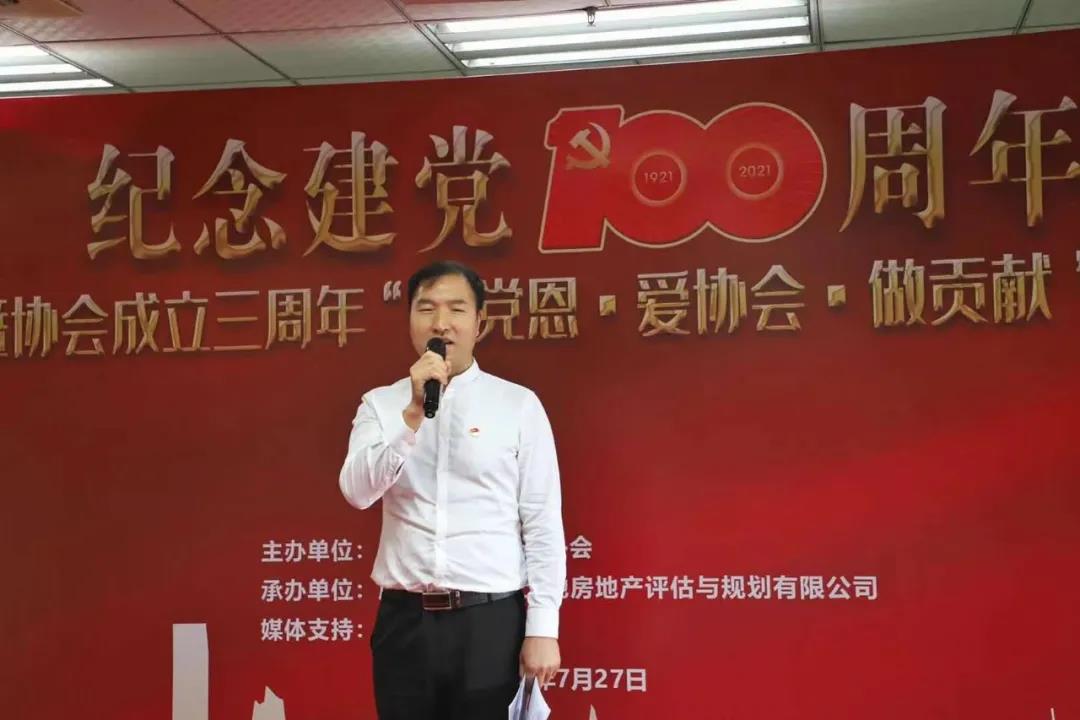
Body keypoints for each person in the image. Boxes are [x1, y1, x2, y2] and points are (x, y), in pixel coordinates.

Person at [338, 260, 565, 720]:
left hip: (489, 620)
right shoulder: (381, 405)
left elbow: (541, 522)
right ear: (410, 321)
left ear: (480, 322)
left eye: (456, 309)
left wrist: (543, 627)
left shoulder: (517, 405)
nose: (441, 323)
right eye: (427, 309)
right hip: (405, 621)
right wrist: (411, 416)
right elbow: (357, 491)